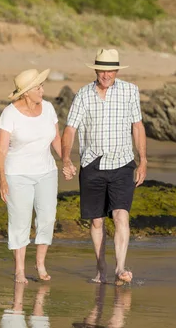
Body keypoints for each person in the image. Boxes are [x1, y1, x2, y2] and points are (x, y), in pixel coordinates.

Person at [61, 48, 147, 285]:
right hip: (92, 164)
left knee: (121, 215)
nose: (106, 74)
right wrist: (66, 158)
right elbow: (70, 129)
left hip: (122, 163)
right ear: (96, 70)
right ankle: (101, 268)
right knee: (97, 221)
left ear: (117, 70)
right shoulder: (83, 94)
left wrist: (143, 160)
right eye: (102, 70)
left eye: (111, 70)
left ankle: (120, 268)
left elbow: (137, 127)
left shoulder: (130, 91)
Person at [0, 68, 61, 283]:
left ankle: (40, 264)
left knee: (47, 218)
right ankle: (19, 271)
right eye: (38, 87)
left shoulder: (49, 108)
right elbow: (1, 150)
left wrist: (66, 160)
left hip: (47, 172)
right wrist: (2, 180)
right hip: (17, 174)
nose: (42, 90)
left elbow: (56, 140)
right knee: (20, 222)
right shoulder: (10, 113)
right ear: (26, 93)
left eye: (41, 86)